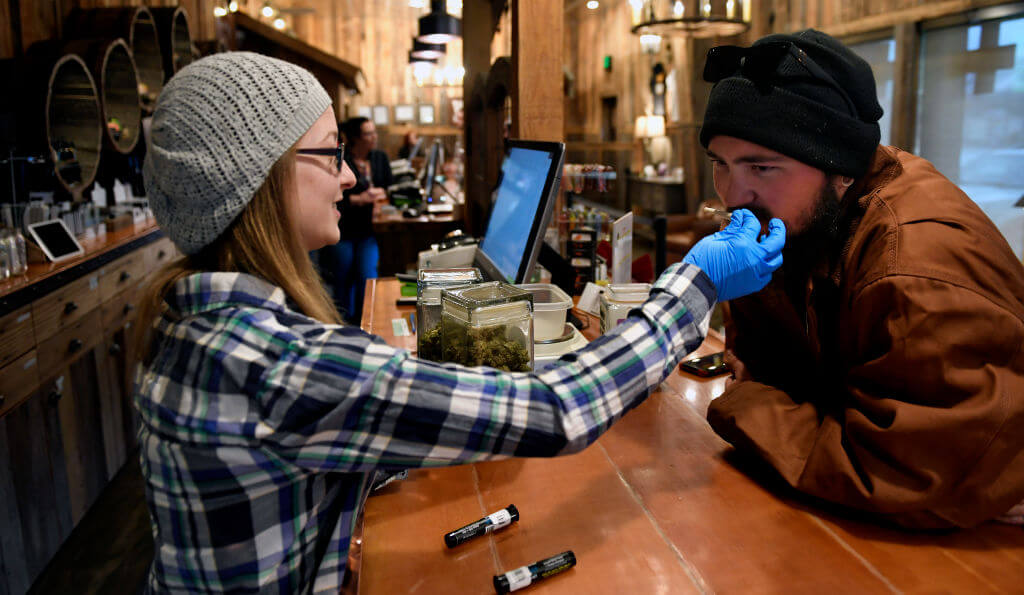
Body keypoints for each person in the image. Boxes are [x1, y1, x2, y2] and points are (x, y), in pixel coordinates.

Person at [137, 52, 785, 593]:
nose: (348, 174)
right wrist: (696, 283)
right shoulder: (270, 361)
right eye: (330, 153)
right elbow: (556, 409)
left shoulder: (193, 319)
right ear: (262, 173)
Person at [697, 29, 1024, 529]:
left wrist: (743, 406)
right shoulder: (799, 223)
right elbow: (763, 366)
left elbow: (902, 471)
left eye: (762, 167)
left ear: (840, 168)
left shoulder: (914, 266)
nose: (733, 194)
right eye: (721, 164)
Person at [330, 115, 392, 321]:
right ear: (356, 137)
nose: (374, 136)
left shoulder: (379, 158)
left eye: (374, 132)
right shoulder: (343, 161)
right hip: (344, 229)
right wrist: (361, 198)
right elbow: (334, 198)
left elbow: (390, 186)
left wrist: (382, 194)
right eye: (368, 133)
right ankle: (342, 324)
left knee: (367, 278)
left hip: (369, 229)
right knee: (343, 281)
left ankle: (365, 323)